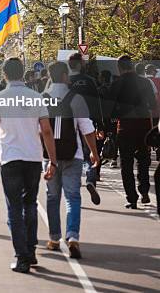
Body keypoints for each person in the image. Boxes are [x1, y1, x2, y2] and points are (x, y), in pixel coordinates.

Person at [0, 58, 57, 274]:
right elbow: (46, 131)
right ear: (23, 73)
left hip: (10, 159)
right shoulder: (36, 98)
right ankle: (31, 249)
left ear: (5, 75)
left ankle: (21, 256)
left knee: (14, 208)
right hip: (33, 158)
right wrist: (52, 161)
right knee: (30, 204)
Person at [43, 61, 100, 259]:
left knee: (52, 197)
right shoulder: (76, 98)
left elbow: (37, 130)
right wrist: (94, 152)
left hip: (49, 157)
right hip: (72, 155)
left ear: (50, 76)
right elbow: (87, 128)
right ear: (66, 76)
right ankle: (73, 236)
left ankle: (53, 238)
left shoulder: (42, 98)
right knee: (72, 197)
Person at [110, 55, 155, 208]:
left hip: (125, 127)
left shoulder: (116, 84)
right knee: (143, 160)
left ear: (119, 67)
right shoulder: (145, 82)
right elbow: (153, 104)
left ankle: (132, 198)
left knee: (126, 164)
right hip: (143, 127)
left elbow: (110, 108)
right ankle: (144, 191)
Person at [68, 53, 103, 203]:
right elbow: (97, 104)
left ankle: (74, 186)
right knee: (90, 154)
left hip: (68, 124)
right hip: (87, 121)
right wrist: (100, 124)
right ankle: (90, 179)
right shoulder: (89, 81)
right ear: (81, 64)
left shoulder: (65, 81)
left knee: (72, 155)